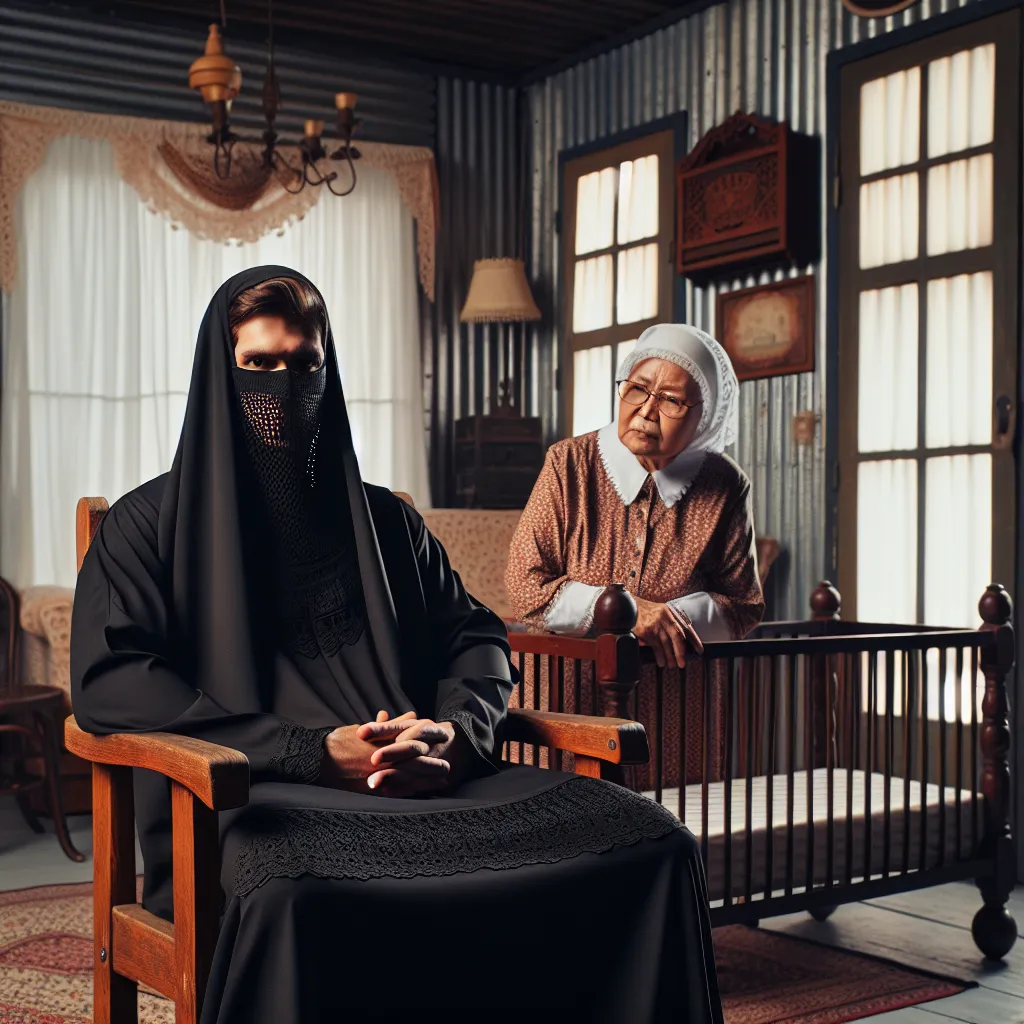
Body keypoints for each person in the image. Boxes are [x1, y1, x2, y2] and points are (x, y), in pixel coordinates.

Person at [70, 268, 724, 1024]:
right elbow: (110, 682)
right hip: (250, 793)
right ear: (221, 373)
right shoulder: (145, 529)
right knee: (295, 895)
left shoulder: (387, 524)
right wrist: (310, 752)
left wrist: (455, 733)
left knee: (658, 841)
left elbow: (474, 636)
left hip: (429, 776)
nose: (285, 385)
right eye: (259, 366)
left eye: (305, 365)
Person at [505, 323, 765, 788]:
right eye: (637, 389)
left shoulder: (725, 484)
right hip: (565, 693)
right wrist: (632, 616)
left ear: (704, 415)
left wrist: (672, 620)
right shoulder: (568, 463)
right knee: (557, 819)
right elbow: (526, 585)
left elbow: (743, 603)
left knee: (665, 817)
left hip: (676, 695)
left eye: (671, 400)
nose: (647, 411)